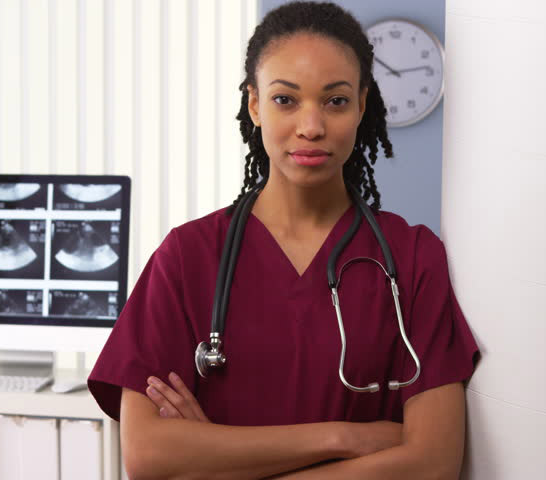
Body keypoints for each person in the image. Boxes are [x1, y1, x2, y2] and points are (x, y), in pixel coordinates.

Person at [87, 2, 480, 479]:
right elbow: (148, 456)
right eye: (285, 100)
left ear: (362, 103)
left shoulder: (413, 257)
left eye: (335, 100)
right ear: (254, 104)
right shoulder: (187, 257)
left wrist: (214, 458)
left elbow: (432, 463)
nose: (311, 127)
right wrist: (346, 437)